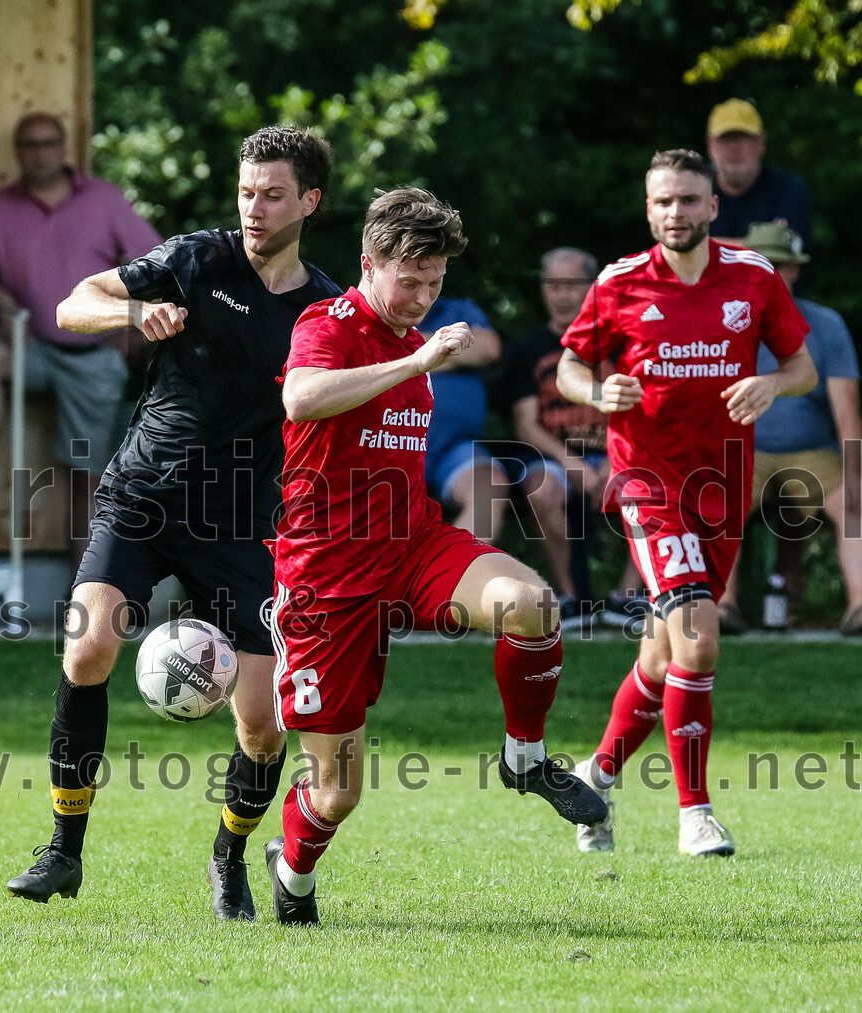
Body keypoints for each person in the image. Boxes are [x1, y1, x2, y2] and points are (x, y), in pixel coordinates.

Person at [4, 126, 342, 919]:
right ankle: (63, 849)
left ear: (310, 201)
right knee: (89, 645)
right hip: (143, 497)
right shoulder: (196, 259)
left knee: (261, 724)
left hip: (243, 524)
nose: (254, 208)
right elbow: (72, 302)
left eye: (273, 194)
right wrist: (136, 309)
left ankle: (229, 855)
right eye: (246, 191)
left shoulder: (323, 307)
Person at [265, 187, 608, 927]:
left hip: (412, 541)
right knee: (337, 792)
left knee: (531, 605)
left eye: (435, 282)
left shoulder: (414, 335)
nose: (423, 296)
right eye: (410, 279)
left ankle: (525, 755)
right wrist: (417, 358)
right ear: (369, 264)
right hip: (325, 575)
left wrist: (418, 351)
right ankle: (292, 873)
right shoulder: (330, 323)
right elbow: (302, 397)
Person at [556, 149, 815, 857]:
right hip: (648, 481)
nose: (677, 213)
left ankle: (594, 774)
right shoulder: (618, 284)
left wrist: (773, 385)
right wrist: (594, 392)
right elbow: (573, 364)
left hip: (724, 486)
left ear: (712, 206)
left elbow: (802, 365)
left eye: (689, 200)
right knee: (698, 636)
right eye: (663, 202)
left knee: (662, 653)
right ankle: (694, 812)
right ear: (649, 210)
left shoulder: (753, 277)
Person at [0, 112, 163, 566]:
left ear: (64, 148)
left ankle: (82, 594)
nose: (40, 152)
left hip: (95, 355)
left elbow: (156, 263)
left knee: (87, 477)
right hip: (31, 346)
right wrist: (4, 302)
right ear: (18, 151)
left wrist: (132, 327)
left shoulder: (104, 200)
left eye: (48, 143)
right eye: (30, 144)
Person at [716, 221, 862, 636]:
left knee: (857, 501)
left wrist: (855, 474)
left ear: (796, 270)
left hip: (815, 451)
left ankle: (859, 607)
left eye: (781, 265)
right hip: (739, 448)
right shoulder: (722, 323)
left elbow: (847, 412)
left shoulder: (826, 324)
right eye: (763, 264)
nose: (772, 273)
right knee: (718, 498)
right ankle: (722, 607)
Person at [505, 247, 645, 628]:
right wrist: (575, 465)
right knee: (541, 489)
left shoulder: (623, 342)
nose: (562, 294)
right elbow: (526, 425)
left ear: (593, 288)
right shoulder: (528, 351)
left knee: (651, 482)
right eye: (553, 285)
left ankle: (628, 598)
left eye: (571, 285)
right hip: (555, 458)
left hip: (620, 451)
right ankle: (572, 599)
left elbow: (643, 412)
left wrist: (616, 462)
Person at [418, 295, 507, 542]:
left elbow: (489, 348)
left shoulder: (458, 309)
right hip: (388, 446)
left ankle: (451, 577)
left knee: (491, 485)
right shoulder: (369, 315)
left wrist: (413, 359)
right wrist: (451, 354)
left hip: (452, 447)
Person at [706, 99, 812, 248]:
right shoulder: (688, 191)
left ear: (761, 142)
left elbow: (789, 255)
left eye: (744, 138)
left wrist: (700, 246)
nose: (735, 147)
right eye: (726, 138)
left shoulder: (788, 188)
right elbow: (669, 250)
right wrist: (763, 245)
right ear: (710, 145)